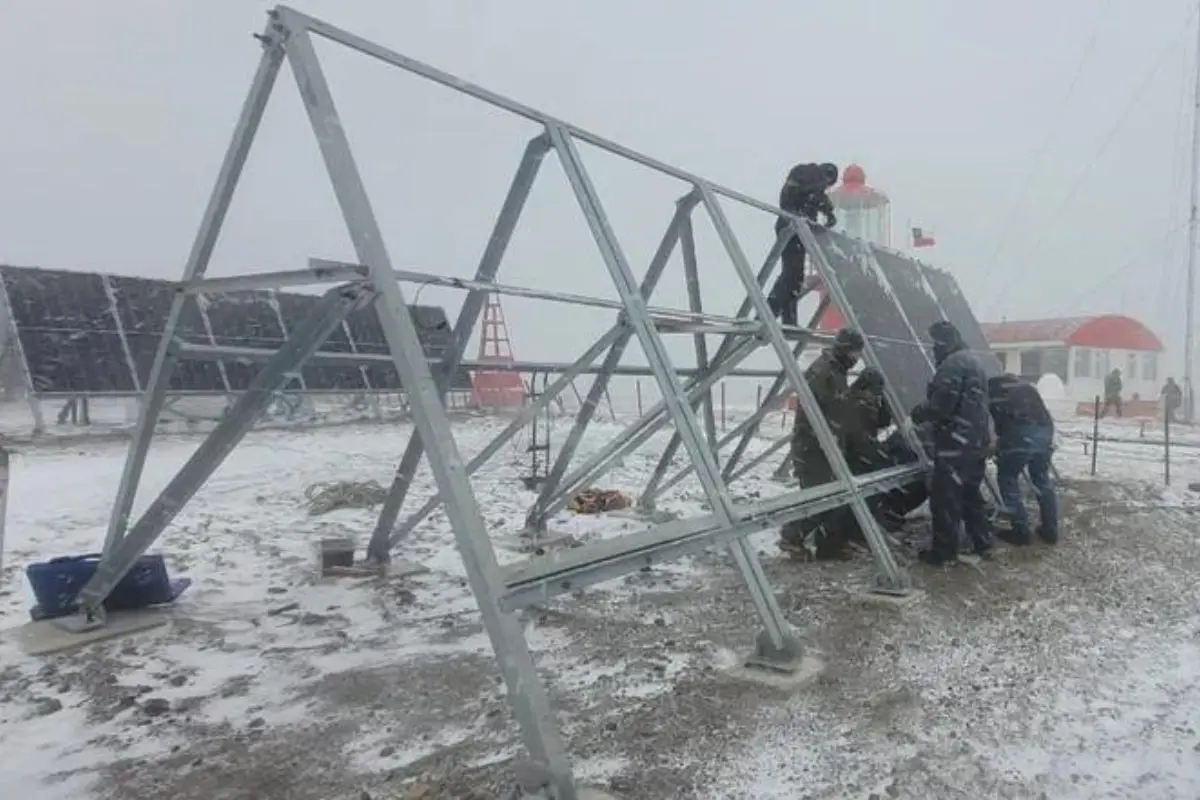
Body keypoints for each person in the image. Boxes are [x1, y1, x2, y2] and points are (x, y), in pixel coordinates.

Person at [909, 321, 991, 566]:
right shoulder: (974, 361)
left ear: (943, 342)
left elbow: (941, 405)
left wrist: (916, 415)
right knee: (971, 494)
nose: (933, 349)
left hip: (956, 444)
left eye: (935, 343)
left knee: (945, 498)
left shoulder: (953, 365)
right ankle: (983, 543)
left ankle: (943, 553)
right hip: (976, 440)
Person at [779, 327, 864, 561]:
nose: (856, 361)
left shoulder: (836, 370)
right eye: (855, 355)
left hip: (826, 445)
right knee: (818, 496)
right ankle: (791, 536)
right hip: (814, 447)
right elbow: (821, 412)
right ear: (845, 350)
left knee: (834, 494)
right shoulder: (823, 371)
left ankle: (829, 546)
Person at [988, 374, 1058, 546]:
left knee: (1007, 478)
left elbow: (999, 424)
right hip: (1045, 431)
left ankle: (1021, 532)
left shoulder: (991, 392)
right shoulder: (1025, 387)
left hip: (1021, 434)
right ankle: (1050, 530)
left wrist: (999, 448)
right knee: (1041, 479)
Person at [769, 163, 839, 327]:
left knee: (793, 276)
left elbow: (806, 195)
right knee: (792, 276)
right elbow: (816, 196)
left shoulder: (805, 177)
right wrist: (829, 212)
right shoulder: (814, 178)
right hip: (793, 229)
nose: (825, 187)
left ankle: (784, 317)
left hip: (790, 227)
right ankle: (771, 312)